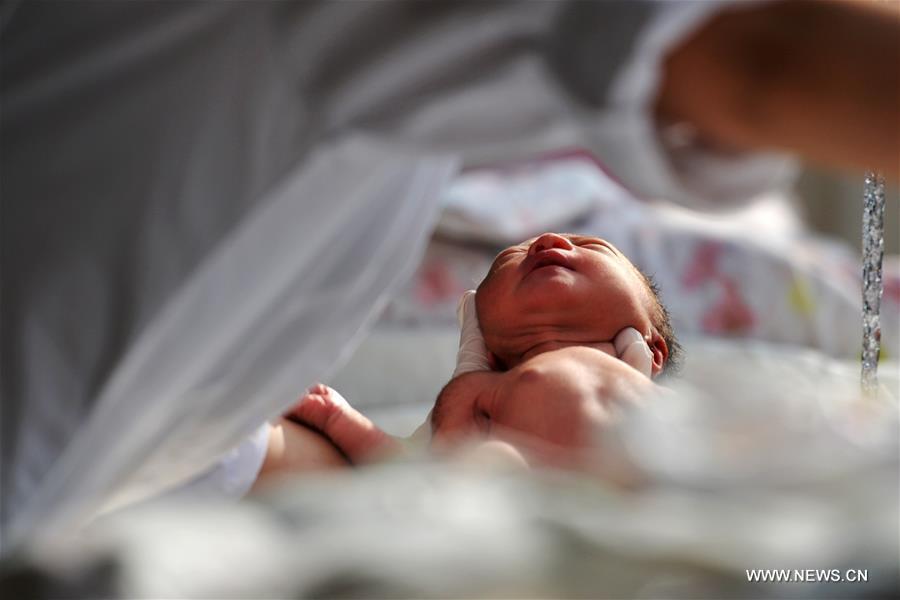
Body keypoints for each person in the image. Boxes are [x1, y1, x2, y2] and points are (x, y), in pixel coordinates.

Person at [3, 0, 897, 545]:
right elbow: (763, 57)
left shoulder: (644, 383)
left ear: (653, 341)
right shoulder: (466, 397)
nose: (548, 243)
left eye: (597, 256)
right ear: (478, 336)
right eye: (509, 267)